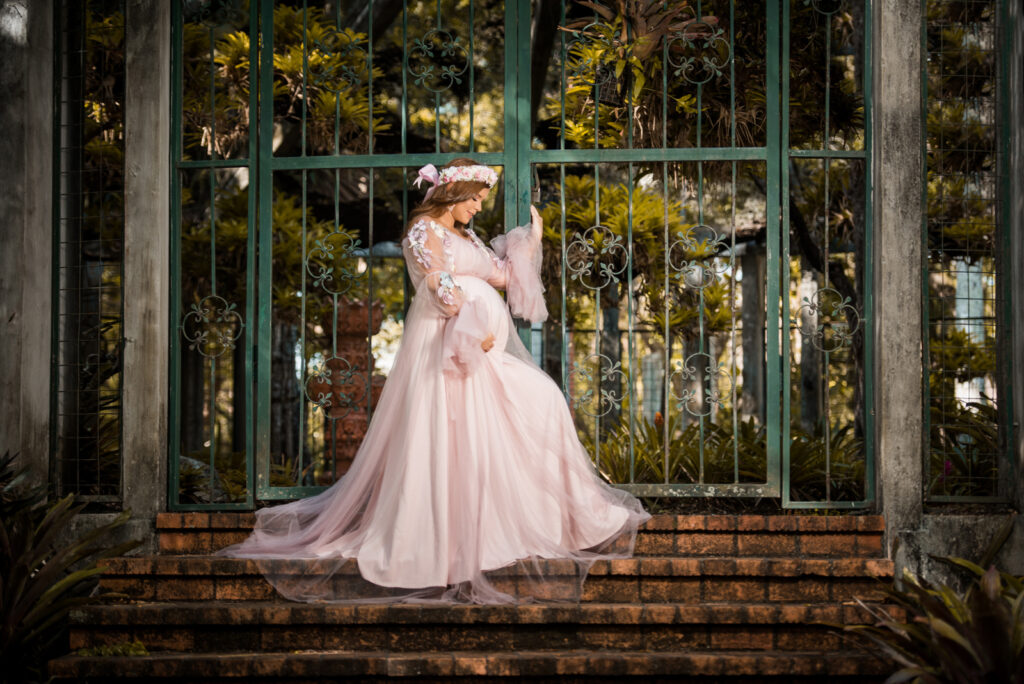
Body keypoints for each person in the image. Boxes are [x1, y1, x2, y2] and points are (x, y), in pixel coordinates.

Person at [219, 159, 649, 603]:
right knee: (461, 435)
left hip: (479, 352)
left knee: (542, 402)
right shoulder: (425, 231)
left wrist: (530, 242)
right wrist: (472, 325)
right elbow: (437, 284)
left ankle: (552, 518)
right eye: (476, 199)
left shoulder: (468, 236)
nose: (480, 208)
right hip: (453, 351)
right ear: (455, 192)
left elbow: (501, 277)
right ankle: (448, 543)